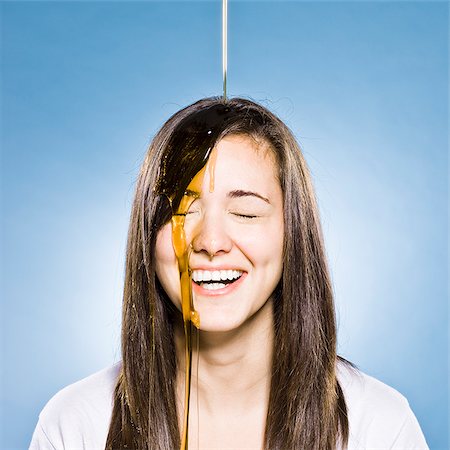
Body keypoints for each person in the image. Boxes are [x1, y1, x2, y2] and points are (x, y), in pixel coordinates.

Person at [29, 97, 429, 450]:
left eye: (245, 212)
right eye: (183, 211)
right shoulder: (75, 425)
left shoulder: (379, 426)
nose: (211, 240)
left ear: (293, 233)